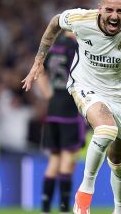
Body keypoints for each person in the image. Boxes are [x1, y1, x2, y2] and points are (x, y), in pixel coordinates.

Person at [22, 0, 121, 214]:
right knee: (106, 129)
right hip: (86, 86)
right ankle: (84, 194)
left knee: (120, 163)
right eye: (109, 10)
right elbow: (55, 22)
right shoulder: (82, 19)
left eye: (120, 11)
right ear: (100, 9)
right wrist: (38, 60)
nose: (114, 16)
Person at [35, 30, 86, 214]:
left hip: (53, 108)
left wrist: (49, 95)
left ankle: (45, 207)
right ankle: (64, 208)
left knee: (54, 160)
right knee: (67, 159)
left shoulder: (54, 47)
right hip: (70, 109)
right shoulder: (76, 48)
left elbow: (40, 72)